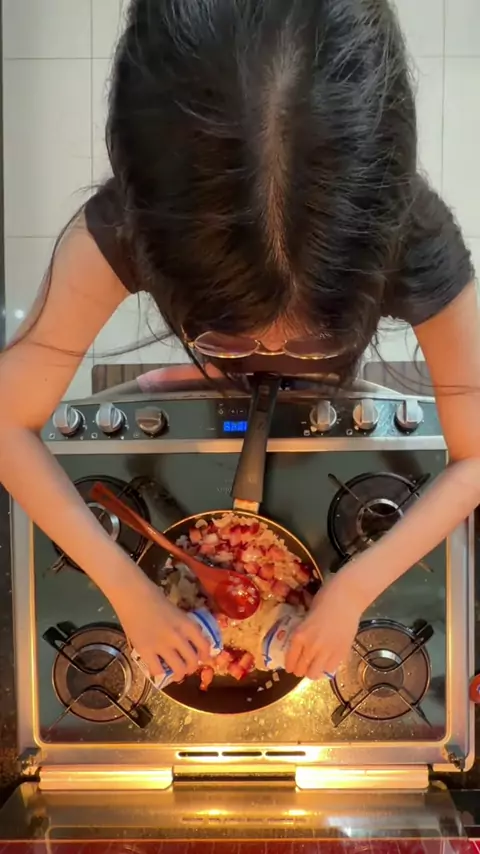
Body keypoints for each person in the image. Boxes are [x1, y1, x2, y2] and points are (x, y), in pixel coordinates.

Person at [0, 0, 478, 686]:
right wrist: (128, 591)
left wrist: (354, 586)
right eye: (224, 334)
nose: (269, 353)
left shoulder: (416, 237)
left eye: (314, 339)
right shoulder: (127, 225)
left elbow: (475, 455)